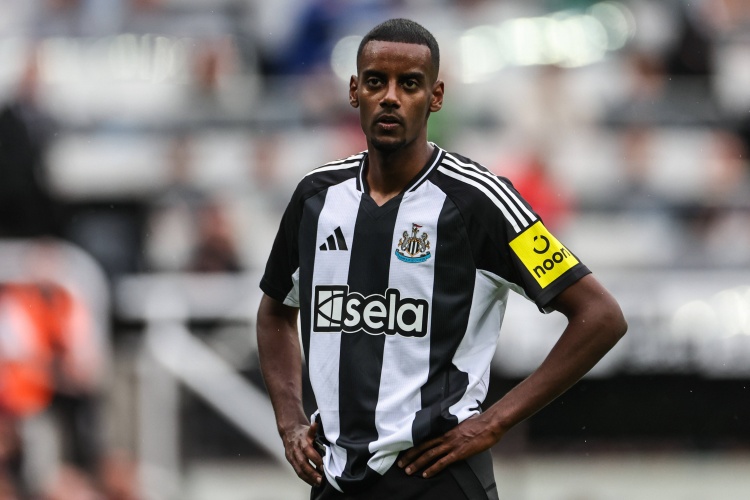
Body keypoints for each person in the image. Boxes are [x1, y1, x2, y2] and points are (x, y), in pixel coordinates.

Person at [256, 18, 627, 500]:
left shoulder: (480, 201)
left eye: (409, 84)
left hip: (438, 477)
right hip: (336, 478)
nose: (390, 97)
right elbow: (275, 312)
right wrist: (289, 420)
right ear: (353, 91)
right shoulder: (315, 198)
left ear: (436, 96)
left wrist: (493, 422)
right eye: (376, 81)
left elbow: (600, 315)